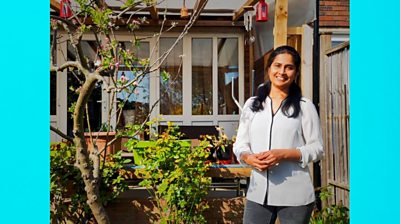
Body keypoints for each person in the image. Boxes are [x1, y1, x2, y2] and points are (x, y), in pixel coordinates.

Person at [233, 45, 324, 224]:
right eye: (277, 65)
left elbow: (317, 148)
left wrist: (283, 154)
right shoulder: (252, 105)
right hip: (258, 193)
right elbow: (240, 145)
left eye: (289, 67)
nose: (282, 71)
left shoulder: (305, 106)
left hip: (295, 196)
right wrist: (247, 157)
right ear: (269, 69)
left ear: (296, 72)